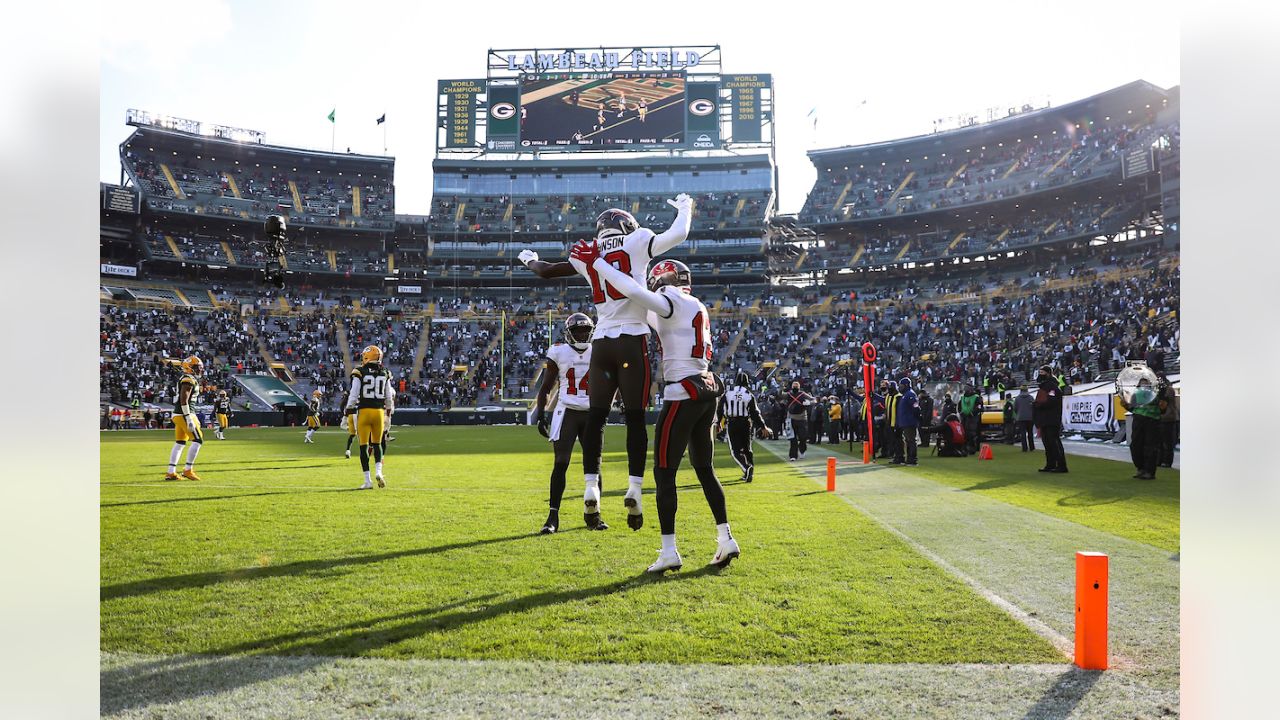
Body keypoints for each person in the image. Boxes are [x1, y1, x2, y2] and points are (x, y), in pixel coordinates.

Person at [519, 194, 694, 531]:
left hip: (602, 342)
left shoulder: (588, 254)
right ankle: (634, 488)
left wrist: (529, 260)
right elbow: (678, 234)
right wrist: (685, 207)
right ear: (627, 225)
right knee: (634, 420)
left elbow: (546, 271)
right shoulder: (638, 240)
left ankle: (589, 488)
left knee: (596, 420)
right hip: (632, 339)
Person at [571, 240, 739, 573]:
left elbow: (633, 292)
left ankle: (669, 551)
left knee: (664, 473)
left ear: (662, 280)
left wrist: (598, 266)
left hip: (683, 394)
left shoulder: (670, 300)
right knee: (704, 469)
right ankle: (726, 538)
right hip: (707, 389)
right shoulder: (697, 304)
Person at [534, 312, 609, 533]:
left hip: (591, 412)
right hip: (567, 411)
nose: (583, 334)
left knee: (594, 467)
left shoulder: (599, 350)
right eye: (578, 331)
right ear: (569, 333)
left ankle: (594, 516)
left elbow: (610, 380)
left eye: (586, 330)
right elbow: (546, 387)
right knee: (561, 462)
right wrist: (541, 414)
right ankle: (552, 517)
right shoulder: (558, 351)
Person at [346, 345, 392, 489]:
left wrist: (349, 408)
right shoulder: (384, 372)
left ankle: (367, 481)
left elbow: (354, 393)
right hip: (379, 412)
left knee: (363, 447)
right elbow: (389, 396)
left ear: (367, 357)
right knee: (377, 444)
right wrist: (389, 410)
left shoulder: (360, 371)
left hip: (364, 412)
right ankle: (379, 472)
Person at [718, 370, 773, 483]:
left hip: (732, 422)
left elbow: (720, 409)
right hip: (745, 423)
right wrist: (763, 426)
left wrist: (719, 422)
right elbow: (755, 413)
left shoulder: (728, 392)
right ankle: (749, 470)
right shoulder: (748, 394)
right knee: (747, 448)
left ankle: (746, 468)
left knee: (736, 451)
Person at [165, 356, 205, 481]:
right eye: (198, 367)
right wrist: (189, 418)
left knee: (180, 443)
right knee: (198, 440)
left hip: (179, 414)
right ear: (190, 367)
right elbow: (184, 400)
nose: (201, 370)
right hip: (184, 414)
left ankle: (171, 472)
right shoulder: (188, 379)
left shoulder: (189, 378)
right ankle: (188, 469)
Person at [1124, 375, 1163, 480]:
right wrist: (1126, 405)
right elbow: (1132, 407)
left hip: (1152, 419)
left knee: (1150, 446)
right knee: (1136, 445)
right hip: (1139, 419)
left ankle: (1149, 471)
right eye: (1142, 383)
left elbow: (1162, 406)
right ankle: (1141, 468)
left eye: (1146, 383)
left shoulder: (1156, 393)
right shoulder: (1136, 394)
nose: (1144, 385)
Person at [1033, 366, 1068, 473]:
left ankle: (1061, 465)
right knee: (1047, 443)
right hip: (1046, 419)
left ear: (1048, 373)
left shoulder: (1052, 387)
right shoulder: (1046, 387)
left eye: (1042, 372)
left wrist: (1038, 405)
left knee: (1054, 443)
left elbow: (1051, 402)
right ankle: (1051, 464)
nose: (1040, 374)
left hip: (1051, 419)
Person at [783, 381, 816, 461]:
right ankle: (793, 455)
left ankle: (802, 450)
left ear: (799, 387)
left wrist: (808, 402)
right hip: (791, 418)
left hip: (802, 419)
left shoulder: (803, 394)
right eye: (794, 386)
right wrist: (782, 387)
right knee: (792, 438)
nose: (795, 387)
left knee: (803, 437)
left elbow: (814, 400)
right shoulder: (788, 394)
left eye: (796, 386)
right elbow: (780, 395)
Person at [893, 378, 921, 465]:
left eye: (901, 386)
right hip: (905, 422)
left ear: (906, 385)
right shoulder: (905, 395)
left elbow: (916, 408)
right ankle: (909, 458)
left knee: (911, 440)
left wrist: (915, 418)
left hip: (910, 422)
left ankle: (912, 459)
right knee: (908, 440)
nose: (899, 388)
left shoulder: (910, 394)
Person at [958, 385, 983, 455]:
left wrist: (972, 413)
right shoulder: (963, 397)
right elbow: (959, 406)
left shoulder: (976, 397)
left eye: (967, 388)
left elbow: (979, 407)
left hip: (972, 418)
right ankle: (964, 448)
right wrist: (961, 412)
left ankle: (972, 448)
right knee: (964, 432)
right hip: (964, 417)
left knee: (971, 433)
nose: (965, 389)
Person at [1015, 385, 1036, 452]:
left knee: (1023, 433)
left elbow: (1015, 408)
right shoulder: (1031, 397)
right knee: (1030, 433)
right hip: (1030, 417)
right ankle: (1032, 447)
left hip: (1021, 417)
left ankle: (1024, 448)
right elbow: (1034, 407)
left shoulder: (1017, 398)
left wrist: (1018, 413)